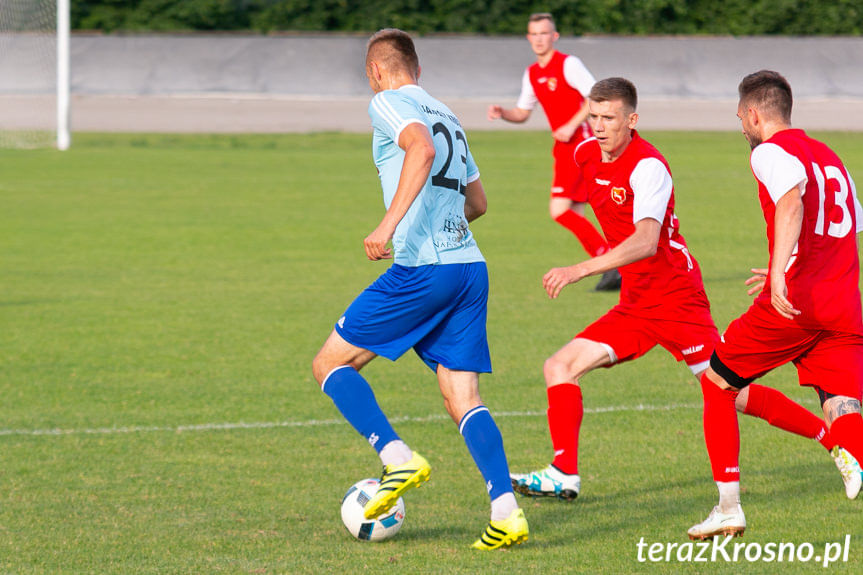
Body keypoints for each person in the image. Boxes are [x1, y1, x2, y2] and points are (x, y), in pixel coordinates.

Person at [510, 77, 862, 506]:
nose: (599, 127)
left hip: (678, 299)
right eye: (594, 117)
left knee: (733, 392)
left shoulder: (648, 166)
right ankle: (564, 473)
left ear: (632, 119)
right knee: (559, 367)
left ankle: (830, 442)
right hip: (636, 303)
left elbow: (644, 241)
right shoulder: (585, 155)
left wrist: (581, 267)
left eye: (609, 118)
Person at [311, 28, 528, 550]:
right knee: (462, 395)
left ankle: (396, 457)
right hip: (469, 268)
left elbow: (421, 150)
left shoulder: (387, 102)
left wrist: (388, 226)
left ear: (377, 73)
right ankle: (507, 512)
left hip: (424, 269)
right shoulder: (447, 111)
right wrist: (442, 220)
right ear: (419, 70)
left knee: (330, 365)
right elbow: (477, 203)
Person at [687, 70, 863, 540]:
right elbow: (847, 225)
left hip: (796, 303)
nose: (742, 128)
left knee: (717, 383)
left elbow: (791, 203)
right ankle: (852, 457)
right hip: (843, 302)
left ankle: (729, 508)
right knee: (843, 404)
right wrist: (791, 261)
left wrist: (781, 273)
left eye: (740, 119)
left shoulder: (769, 150)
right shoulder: (830, 155)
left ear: (753, 114)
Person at [487, 12, 621, 291]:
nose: (539, 39)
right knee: (577, 211)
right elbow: (522, 113)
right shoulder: (532, 73)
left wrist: (571, 125)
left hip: (580, 143)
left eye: (544, 33)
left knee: (559, 210)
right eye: (534, 34)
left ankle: (610, 261)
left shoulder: (569, 64)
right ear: (528, 38)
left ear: (554, 36)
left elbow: (594, 95)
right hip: (564, 146)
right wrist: (503, 113)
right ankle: (615, 266)